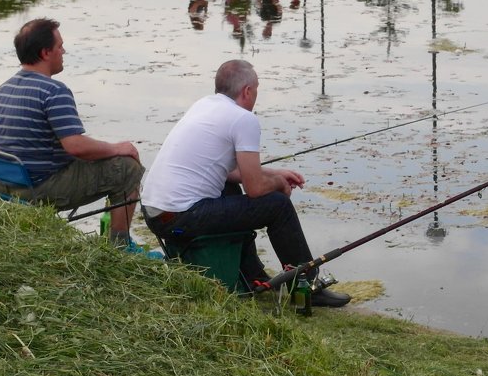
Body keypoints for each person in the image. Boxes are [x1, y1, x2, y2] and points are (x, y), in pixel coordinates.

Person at [141, 60, 350, 307]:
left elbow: (229, 172)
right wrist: (280, 186)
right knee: (278, 206)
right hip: (183, 217)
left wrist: (276, 173)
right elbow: (256, 189)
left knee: (229, 189)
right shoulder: (243, 119)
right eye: (257, 90)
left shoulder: (204, 106)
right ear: (247, 91)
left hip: (155, 214)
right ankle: (306, 286)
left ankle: (252, 276)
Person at [0, 17, 158, 256]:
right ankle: (120, 248)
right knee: (127, 168)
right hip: (39, 188)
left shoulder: (4, 88)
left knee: (101, 160)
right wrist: (117, 148)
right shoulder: (53, 91)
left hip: (8, 185)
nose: (64, 51)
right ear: (45, 52)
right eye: (60, 46)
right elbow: (75, 146)